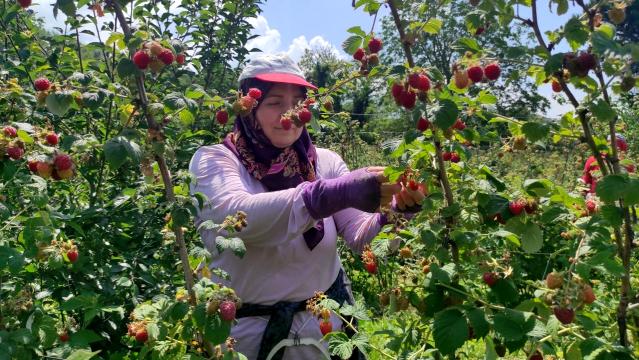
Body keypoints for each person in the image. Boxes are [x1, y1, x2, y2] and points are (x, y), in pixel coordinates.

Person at [188, 53, 425, 360]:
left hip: (326, 327)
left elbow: (359, 236)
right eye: (275, 102)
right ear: (249, 107)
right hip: (249, 337)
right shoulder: (215, 160)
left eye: (298, 102)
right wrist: (328, 195)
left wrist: (397, 210)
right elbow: (235, 217)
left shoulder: (323, 162)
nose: (289, 114)